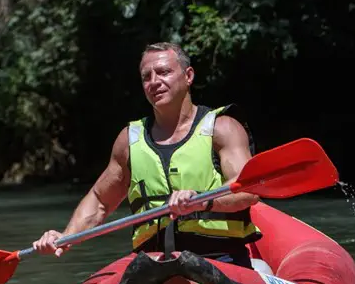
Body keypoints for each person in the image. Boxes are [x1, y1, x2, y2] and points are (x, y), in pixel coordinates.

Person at [32, 42, 262, 268]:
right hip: (153, 265)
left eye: (163, 72)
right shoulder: (129, 140)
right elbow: (101, 201)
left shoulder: (223, 128)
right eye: (146, 77)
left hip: (220, 258)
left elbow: (248, 191)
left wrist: (201, 201)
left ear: (188, 76)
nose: (154, 82)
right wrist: (66, 237)